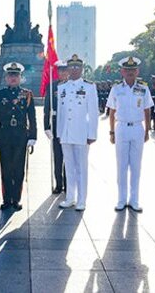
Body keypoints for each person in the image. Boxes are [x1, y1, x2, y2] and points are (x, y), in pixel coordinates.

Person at [107, 56, 153, 213]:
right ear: (122, 72)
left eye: (133, 70)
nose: (130, 73)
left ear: (137, 71)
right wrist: (112, 131)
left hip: (137, 128)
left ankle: (134, 200)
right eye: (127, 70)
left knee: (136, 166)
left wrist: (148, 130)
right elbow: (112, 112)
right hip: (121, 128)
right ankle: (121, 199)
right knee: (121, 166)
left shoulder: (144, 89)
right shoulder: (116, 89)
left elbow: (147, 110)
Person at [0, 62, 37, 210]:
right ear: (6, 78)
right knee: (6, 169)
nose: (13, 78)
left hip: (21, 136)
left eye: (16, 75)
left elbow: (32, 117)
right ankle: (7, 199)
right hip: (4, 135)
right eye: (10, 75)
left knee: (18, 169)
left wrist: (32, 137)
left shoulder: (27, 94)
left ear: (20, 77)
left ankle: (16, 199)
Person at [57, 54, 98, 212]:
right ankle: (70, 197)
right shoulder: (62, 87)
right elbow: (60, 111)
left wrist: (92, 134)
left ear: (82, 69)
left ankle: (82, 199)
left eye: (77, 67)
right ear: (67, 69)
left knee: (81, 167)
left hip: (81, 133)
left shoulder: (89, 87)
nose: (74, 69)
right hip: (66, 133)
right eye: (71, 67)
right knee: (69, 166)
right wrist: (59, 132)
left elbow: (93, 112)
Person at [43, 60, 69, 194]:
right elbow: (47, 107)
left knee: (68, 156)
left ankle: (67, 184)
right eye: (61, 71)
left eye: (65, 70)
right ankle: (58, 184)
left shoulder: (72, 86)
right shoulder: (52, 86)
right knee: (57, 155)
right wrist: (46, 126)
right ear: (57, 72)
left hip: (68, 124)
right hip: (55, 122)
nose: (63, 73)